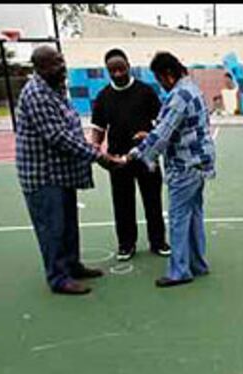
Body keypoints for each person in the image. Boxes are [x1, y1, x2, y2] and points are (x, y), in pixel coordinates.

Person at [15, 45, 123, 295]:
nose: (62, 67)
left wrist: (94, 151)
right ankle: (58, 277)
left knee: (67, 224)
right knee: (52, 228)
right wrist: (99, 155)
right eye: (55, 63)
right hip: (42, 176)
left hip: (61, 173)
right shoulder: (36, 94)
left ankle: (72, 265)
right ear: (40, 68)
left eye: (61, 61)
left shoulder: (56, 89)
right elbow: (59, 136)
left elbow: (70, 128)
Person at [122, 52, 216, 288]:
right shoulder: (192, 89)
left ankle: (179, 271)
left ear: (169, 75)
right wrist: (152, 135)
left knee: (178, 218)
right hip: (199, 163)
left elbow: (162, 134)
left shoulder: (179, 96)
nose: (160, 85)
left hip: (185, 165)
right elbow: (175, 128)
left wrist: (132, 155)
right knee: (194, 214)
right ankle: (198, 264)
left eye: (160, 79)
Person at [91, 48, 170, 261]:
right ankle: (126, 244)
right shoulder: (103, 97)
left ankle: (158, 241)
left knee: (153, 201)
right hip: (117, 160)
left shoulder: (145, 91)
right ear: (107, 71)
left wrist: (150, 136)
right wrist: (96, 148)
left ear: (129, 66)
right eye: (112, 70)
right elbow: (98, 128)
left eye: (121, 68)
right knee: (122, 203)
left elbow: (161, 123)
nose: (117, 73)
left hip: (146, 157)